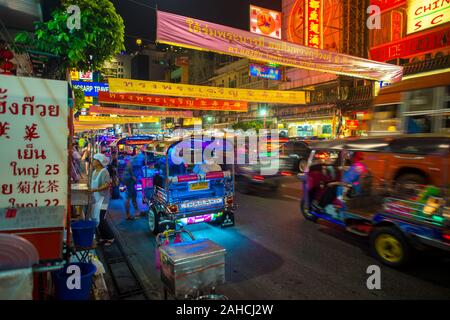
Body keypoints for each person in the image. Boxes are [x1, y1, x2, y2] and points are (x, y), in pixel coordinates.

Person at [88, 153, 114, 246]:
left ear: (98, 162)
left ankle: (110, 237)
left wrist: (96, 189)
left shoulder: (104, 171)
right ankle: (103, 237)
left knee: (101, 219)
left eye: (94, 159)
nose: (92, 161)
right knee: (96, 218)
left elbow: (107, 185)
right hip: (95, 198)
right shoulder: (95, 171)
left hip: (103, 199)